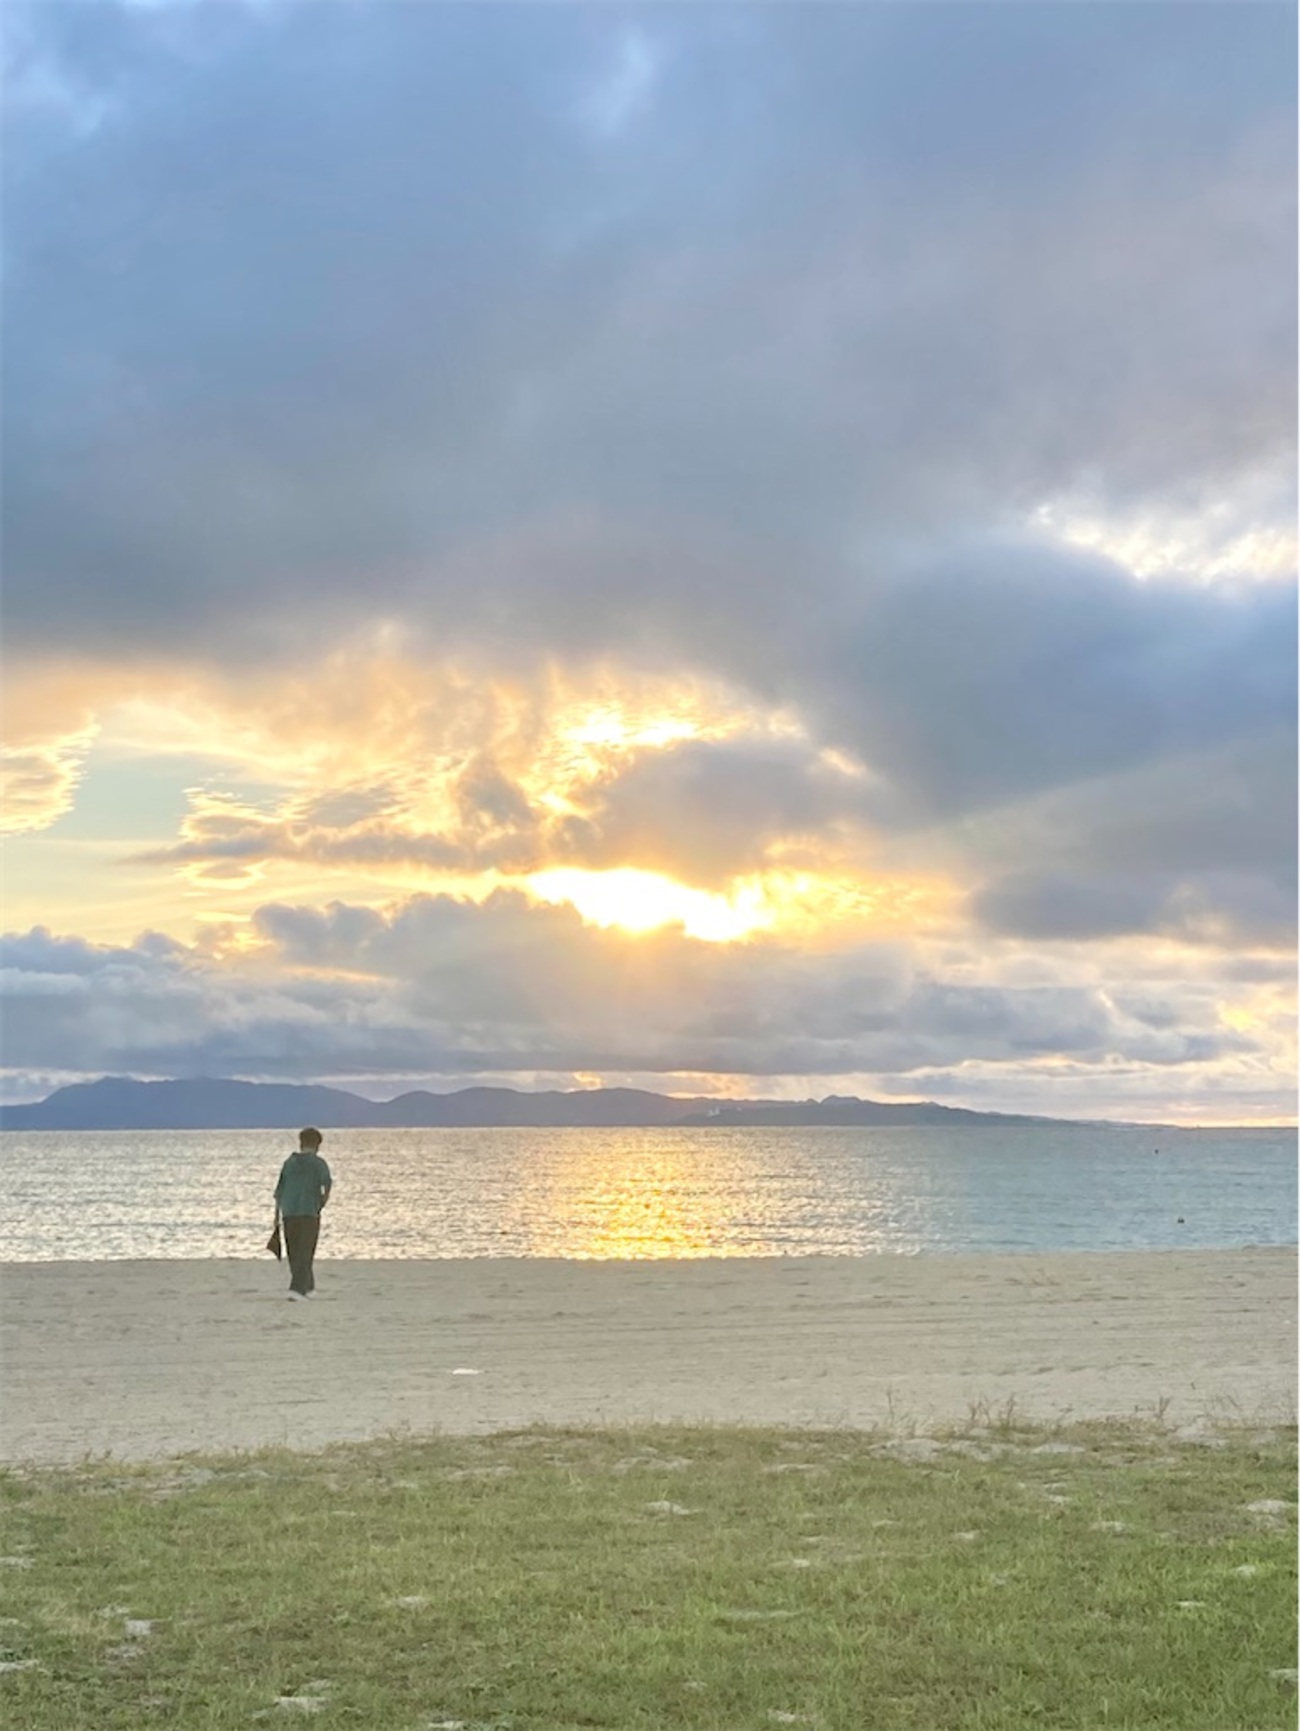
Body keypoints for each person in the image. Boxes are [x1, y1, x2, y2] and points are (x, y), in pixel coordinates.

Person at [274, 1128, 332, 1300]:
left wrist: (276, 1216)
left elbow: (279, 1191)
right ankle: (297, 1290)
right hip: (309, 1212)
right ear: (317, 1145)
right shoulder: (319, 1163)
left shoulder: (289, 1163)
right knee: (305, 1252)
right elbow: (327, 1185)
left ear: (301, 1143)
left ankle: (308, 1287)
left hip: (288, 1212)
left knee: (294, 1252)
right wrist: (322, 1203)